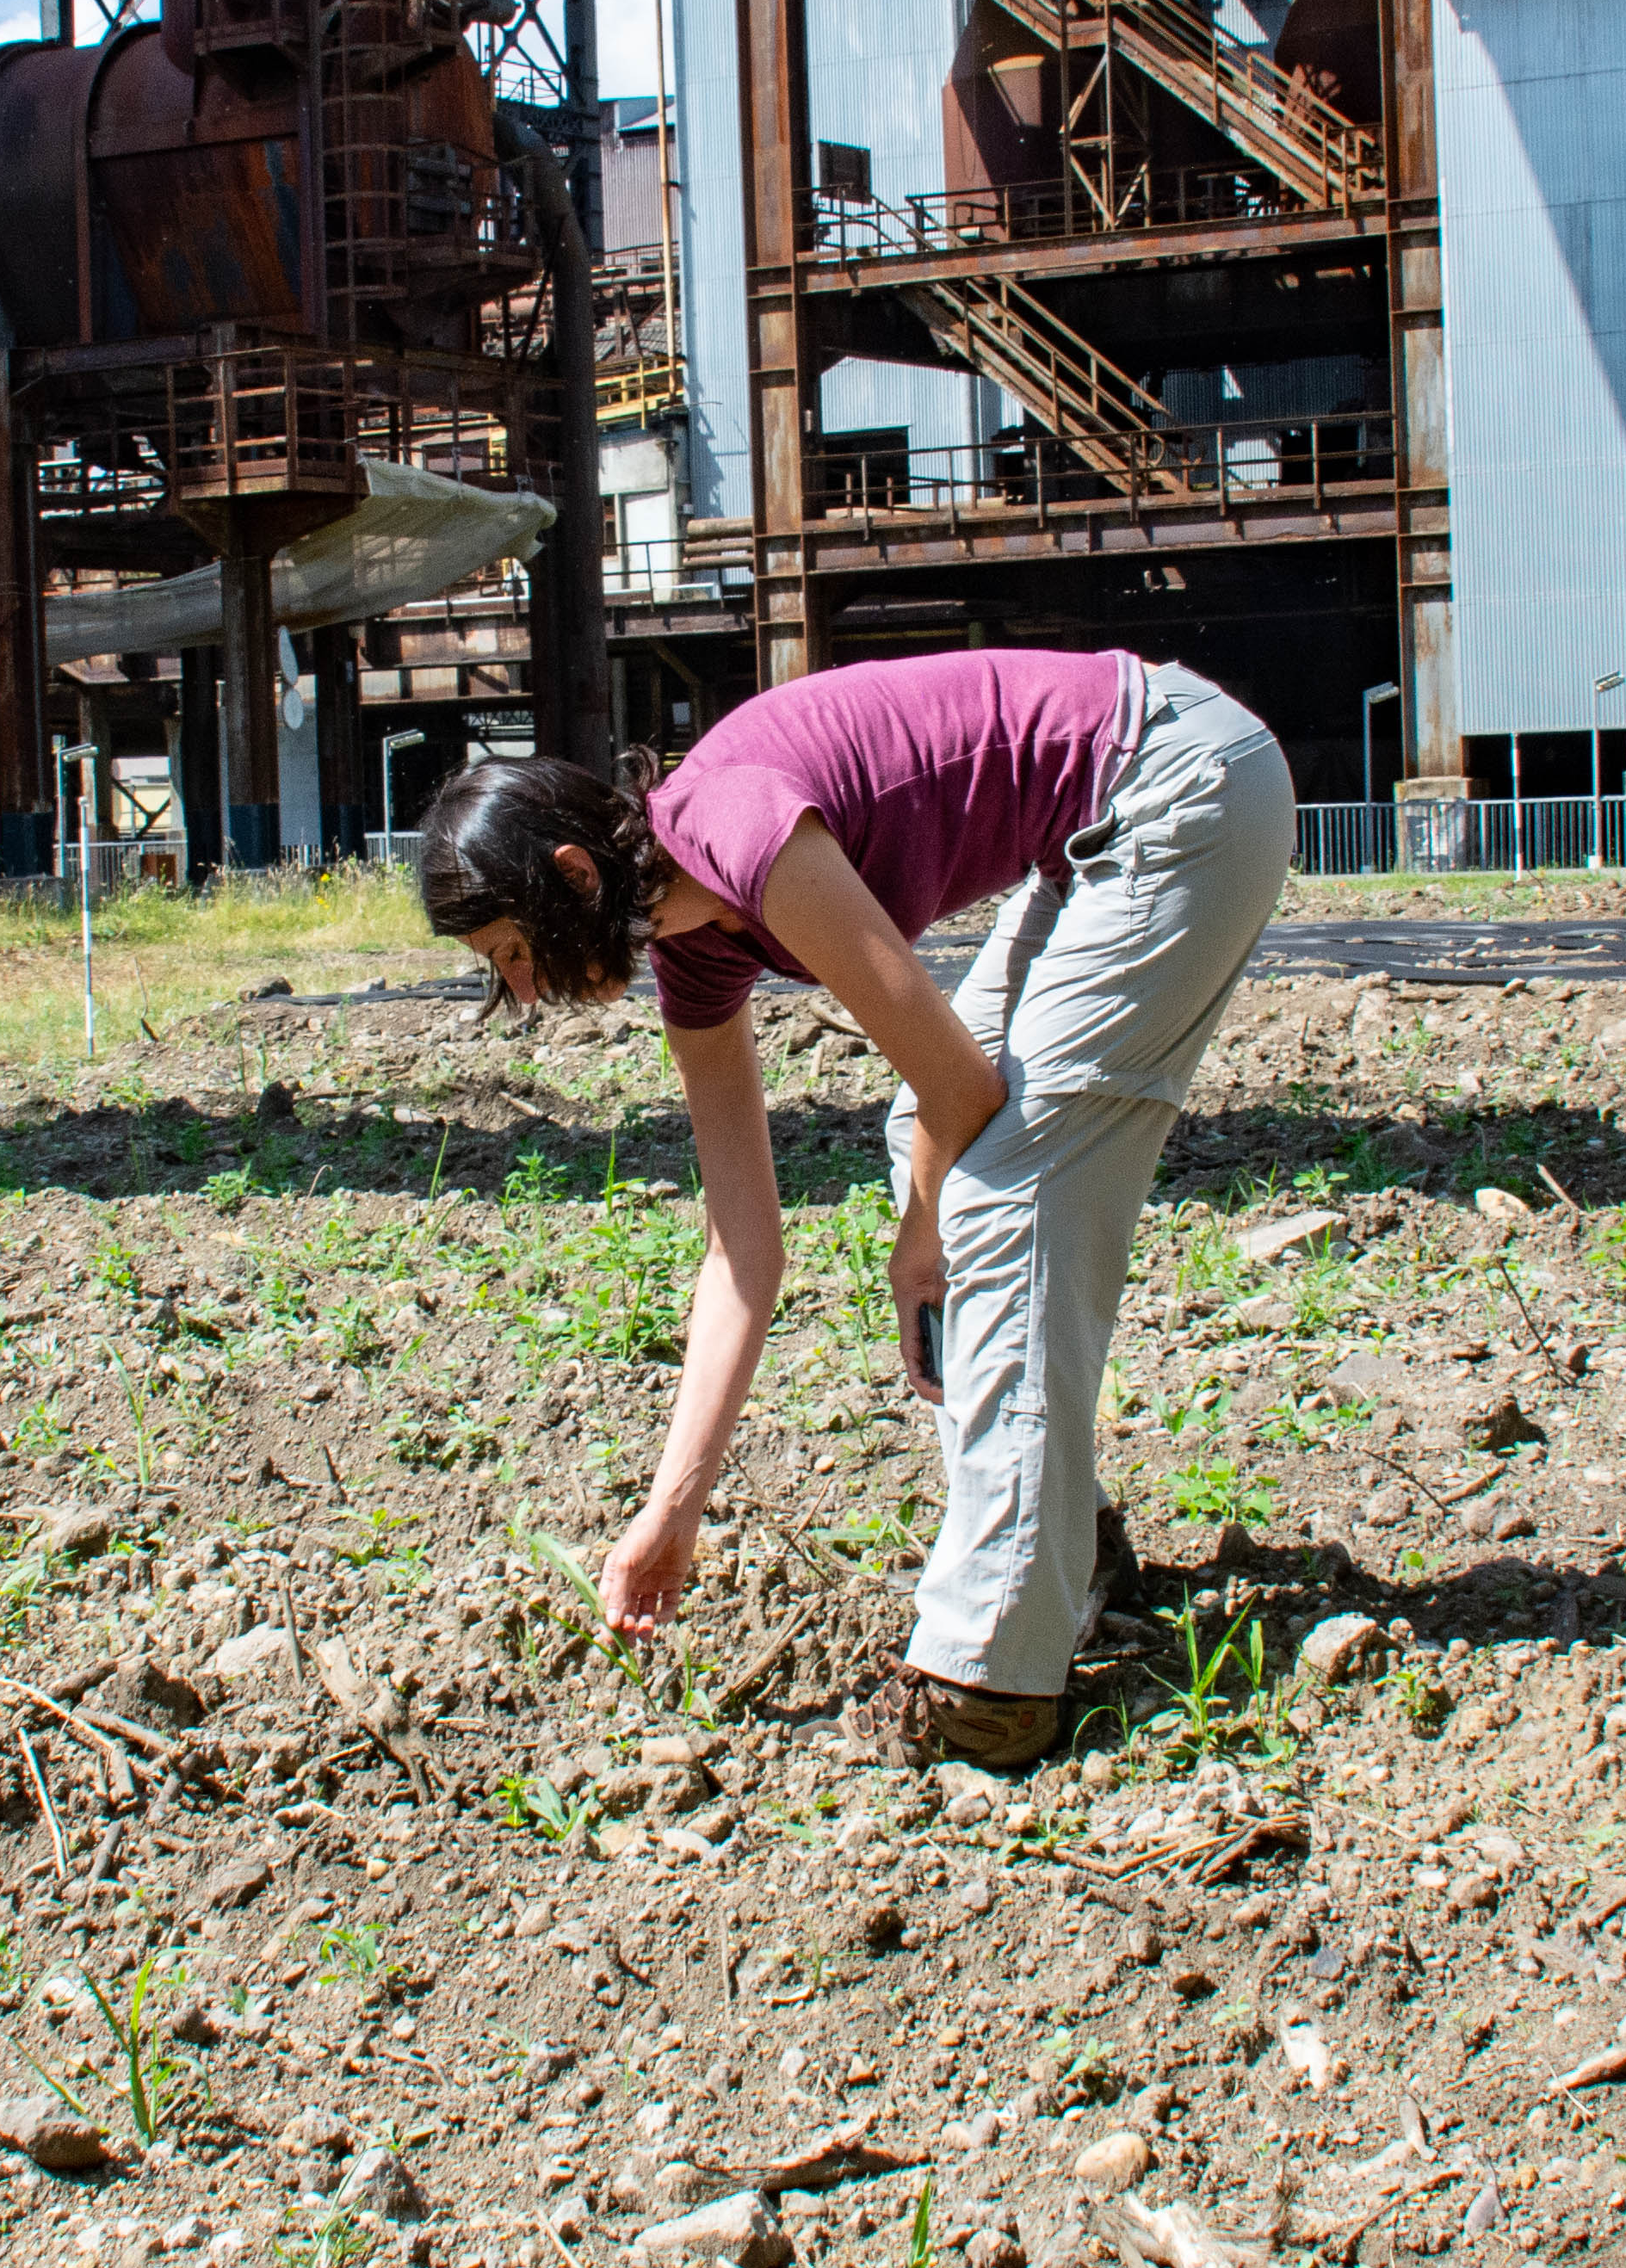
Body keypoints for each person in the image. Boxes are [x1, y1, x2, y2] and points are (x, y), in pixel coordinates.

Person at [417, 648, 1294, 1769]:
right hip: (1105, 823)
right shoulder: (696, 954)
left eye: (515, 953)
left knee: (998, 1186)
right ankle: (1051, 1539)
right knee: (933, 1156)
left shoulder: (740, 835)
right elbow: (744, 1253)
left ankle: (994, 1675)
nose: (526, 993)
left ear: (575, 878)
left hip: (1175, 783)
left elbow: (963, 1089)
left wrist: (915, 1243)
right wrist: (674, 1508)